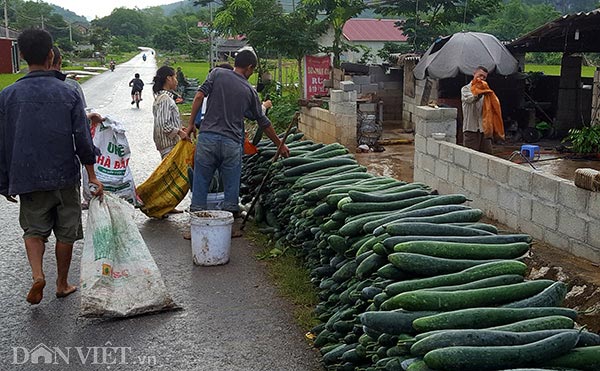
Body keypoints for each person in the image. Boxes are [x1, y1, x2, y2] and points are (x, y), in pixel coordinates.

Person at [0, 29, 104, 305]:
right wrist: (92, 175)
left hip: (27, 175)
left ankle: (37, 275)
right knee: (66, 231)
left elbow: (2, 142)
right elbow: (83, 139)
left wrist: (4, 181)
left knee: (34, 229)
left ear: (21, 55)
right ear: (50, 56)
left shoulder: (7, 96)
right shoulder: (68, 92)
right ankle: (61, 283)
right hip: (64, 176)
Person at [185, 50, 289, 236]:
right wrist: (279, 144)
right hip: (231, 143)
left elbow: (199, 96)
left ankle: (195, 229)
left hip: (207, 138)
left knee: (201, 181)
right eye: (253, 70)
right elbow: (263, 122)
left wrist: (191, 124)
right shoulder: (249, 91)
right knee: (231, 184)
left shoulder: (217, 74)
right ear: (249, 67)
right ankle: (229, 230)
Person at [461, 66, 504, 154]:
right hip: (471, 130)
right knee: (471, 157)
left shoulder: (487, 93)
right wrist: (479, 94)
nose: (481, 78)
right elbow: (470, 99)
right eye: (480, 75)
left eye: (484, 77)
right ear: (474, 74)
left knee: (488, 155)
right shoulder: (465, 89)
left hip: (484, 130)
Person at [152, 66, 189, 159]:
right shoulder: (165, 98)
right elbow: (163, 124)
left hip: (168, 145)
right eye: (175, 77)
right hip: (169, 146)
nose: (176, 81)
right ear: (169, 78)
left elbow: (166, 120)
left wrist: (180, 127)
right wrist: (179, 132)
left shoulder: (162, 97)